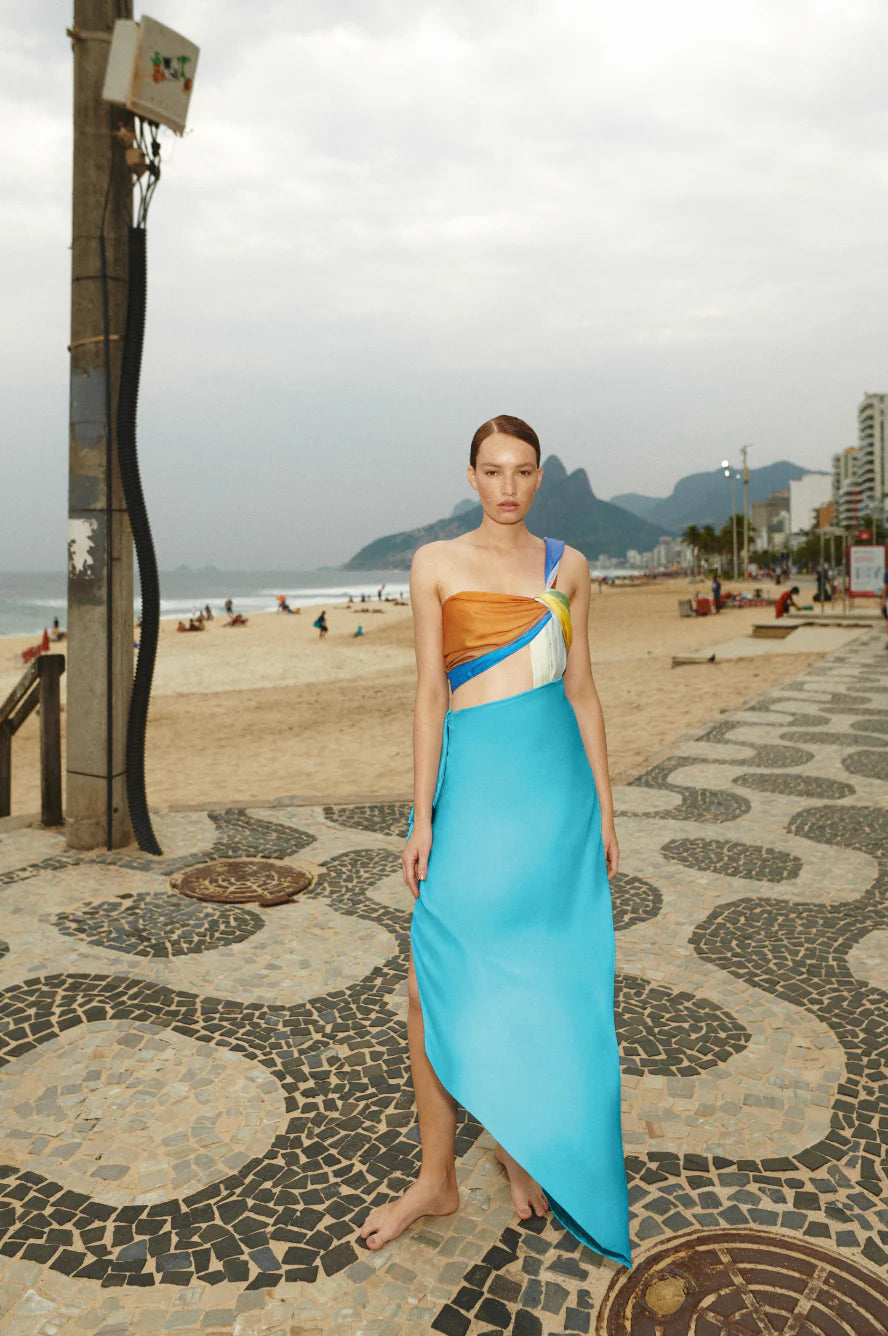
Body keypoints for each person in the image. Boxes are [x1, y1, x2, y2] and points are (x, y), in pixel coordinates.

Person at [358, 414, 631, 1268]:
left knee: (543, 981)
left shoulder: (569, 567)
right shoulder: (434, 564)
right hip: (471, 795)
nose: (508, 486)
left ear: (539, 477)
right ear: (471, 476)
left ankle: (522, 1147)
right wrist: (422, 814)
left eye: (523, 470)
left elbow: (582, 693)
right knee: (429, 986)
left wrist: (606, 810)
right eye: (493, 470)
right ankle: (436, 1179)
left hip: (555, 801)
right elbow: (429, 697)